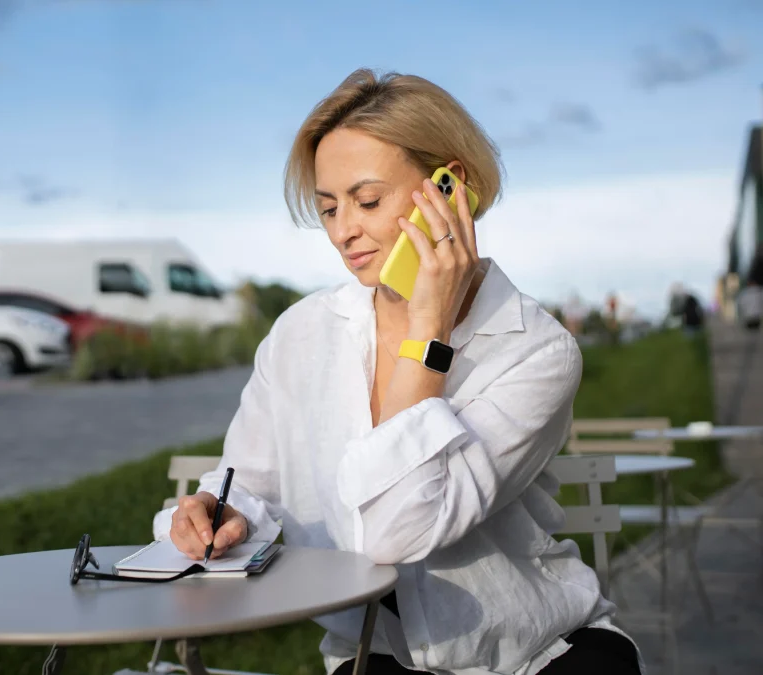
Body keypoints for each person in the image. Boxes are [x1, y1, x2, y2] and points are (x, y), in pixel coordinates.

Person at [152, 69, 642, 675]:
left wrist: (428, 332)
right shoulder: (301, 333)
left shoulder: (536, 351)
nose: (342, 231)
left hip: (533, 654)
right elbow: (249, 482)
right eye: (328, 208)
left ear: (449, 188)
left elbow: (395, 533)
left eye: (368, 200)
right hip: (371, 655)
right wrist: (219, 510)